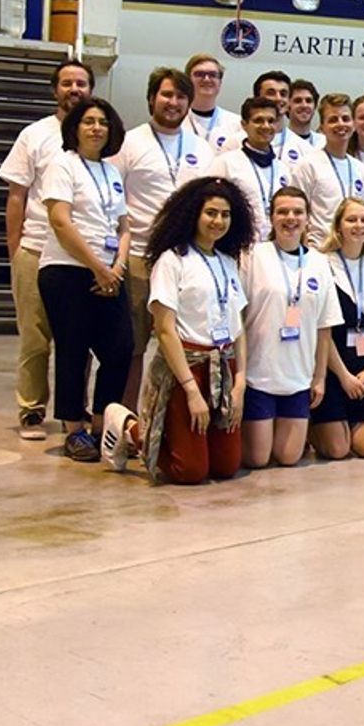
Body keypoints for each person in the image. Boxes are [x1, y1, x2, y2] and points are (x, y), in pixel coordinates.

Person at [101, 176, 253, 483]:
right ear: (193, 213)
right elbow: (166, 329)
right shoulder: (172, 261)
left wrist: (239, 383)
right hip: (186, 367)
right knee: (190, 472)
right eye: (211, 212)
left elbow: (238, 328)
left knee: (226, 467)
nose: (218, 221)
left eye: (225, 214)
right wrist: (191, 391)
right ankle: (127, 426)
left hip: (222, 367)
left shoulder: (228, 261)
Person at [35, 95, 133, 461]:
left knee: (120, 348)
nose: (96, 128)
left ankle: (101, 424)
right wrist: (97, 267)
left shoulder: (111, 171)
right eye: (89, 121)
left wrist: (118, 266)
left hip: (110, 272)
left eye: (103, 123)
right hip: (68, 271)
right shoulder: (63, 165)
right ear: (74, 127)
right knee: (74, 349)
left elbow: (124, 225)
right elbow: (61, 221)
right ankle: (73, 429)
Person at [0, 57, 91, 440]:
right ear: (56, 90)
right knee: (35, 336)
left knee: (78, 338)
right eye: (67, 83)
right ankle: (32, 409)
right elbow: (17, 195)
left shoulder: (98, 136)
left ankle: (75, 408)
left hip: (78, 255)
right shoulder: (34, 135)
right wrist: (15, 245)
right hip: (36, 248)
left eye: (81, 84)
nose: (74, 90)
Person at [117, 66, 203, 405]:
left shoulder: (202, 148)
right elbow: (114, 202)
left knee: (185, 345)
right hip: (140, 257)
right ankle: (126, 419)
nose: (174, 102)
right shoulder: (127, 143)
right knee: (132, 347)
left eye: (181, 96)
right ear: (152, 97)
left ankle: (170, 420)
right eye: (167, 94)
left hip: (186, 260)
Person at [238, 187, 340, 468]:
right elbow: (239, 317)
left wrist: (319, 378)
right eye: (282, 212)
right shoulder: (253, 256)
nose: (290, 218)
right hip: (259, 376)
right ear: (271, 217)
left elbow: (324, 326)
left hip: (297, 378)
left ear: (308, 218)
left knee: (288, 457)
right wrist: (239, 374)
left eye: (297, 212)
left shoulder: (319, 262)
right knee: (257, 459)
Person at [312, 198, 364, 460]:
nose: (359, 225)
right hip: (333, 367)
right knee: (337, 450)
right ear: (338, 226)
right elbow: (321, 328)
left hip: (363, 368)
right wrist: (344, 376)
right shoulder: (322, 264)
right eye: (351, 220)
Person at [288, 93, 364, 246]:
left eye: (345, 119)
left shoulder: (362, 170)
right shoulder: (307, 165)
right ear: (322, 127)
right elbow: (298, 213)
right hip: (319, 250)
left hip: (352, 251)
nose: (341, 124)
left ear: (353, 125)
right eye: (333, 120)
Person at [206, 98, 287, 241]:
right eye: (258, 120)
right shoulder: (225, 164)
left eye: (271, 121)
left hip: (275, 249)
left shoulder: (283, 169)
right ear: (244, 125)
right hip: (237, 246)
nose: (266, 126)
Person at [182, 54, 239, 153]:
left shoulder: (237, 123)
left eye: (213, 75)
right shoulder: (176, 122)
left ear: (220, 82)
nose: (207, 79)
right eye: (199, 74)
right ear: (188, 81)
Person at [285, 77, 319, 145]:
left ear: (315, 106)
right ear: (287, 106)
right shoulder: (276, 142)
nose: (304, 105)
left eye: (308, 101)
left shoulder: (323, 143)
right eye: (298, 101)